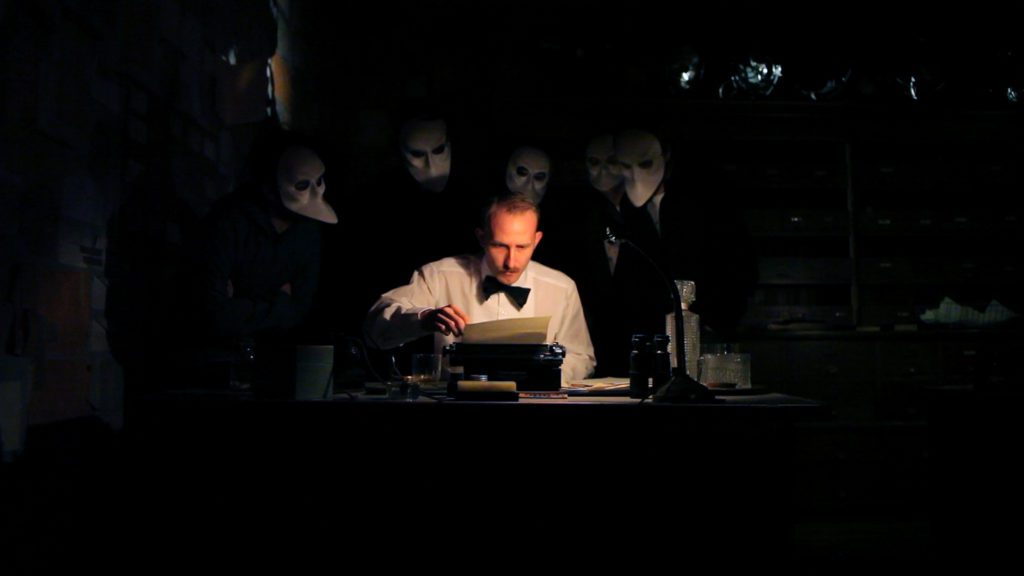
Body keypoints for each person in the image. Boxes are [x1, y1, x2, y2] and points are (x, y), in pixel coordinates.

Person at [364, 193, 596, 384]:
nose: (511, 261)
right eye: (499, 246)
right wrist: (423, 319)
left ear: (536, 240)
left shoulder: (561, 287)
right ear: (482, 237)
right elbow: (375, 331)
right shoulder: (438, 276)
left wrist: (542, 376)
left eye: (522, 247)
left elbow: (582, 357)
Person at [182, 127, 337, 393]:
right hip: (213, 370)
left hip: (277, 369)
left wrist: (242, 301)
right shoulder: (228, 222)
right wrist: (279, 300)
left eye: (318, 182)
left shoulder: (308, 230)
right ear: (268, 184)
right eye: (301, 184)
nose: (312, 194)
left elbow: (301, 308)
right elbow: (211, 312)